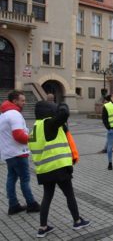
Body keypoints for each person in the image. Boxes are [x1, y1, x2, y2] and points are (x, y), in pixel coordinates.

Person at [29, 101, 90, 238]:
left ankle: (43, 227)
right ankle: (77, 221)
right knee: (69, 195)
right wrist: (62, 105)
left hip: (44, 170)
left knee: (47, 197)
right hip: (58, 168)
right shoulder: (49, 123)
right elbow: (65, 113)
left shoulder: (34, 129)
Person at [0, 90, 40, 215]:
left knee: (11, 178)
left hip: (8, 153)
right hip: (18, 153)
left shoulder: (3, 115)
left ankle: (13, 205)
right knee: (25, 179)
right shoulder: (14, 114)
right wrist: (32, 138)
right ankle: (31, 203)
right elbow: (19, 136)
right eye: (22, 100)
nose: (24, 102)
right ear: (15, 101)